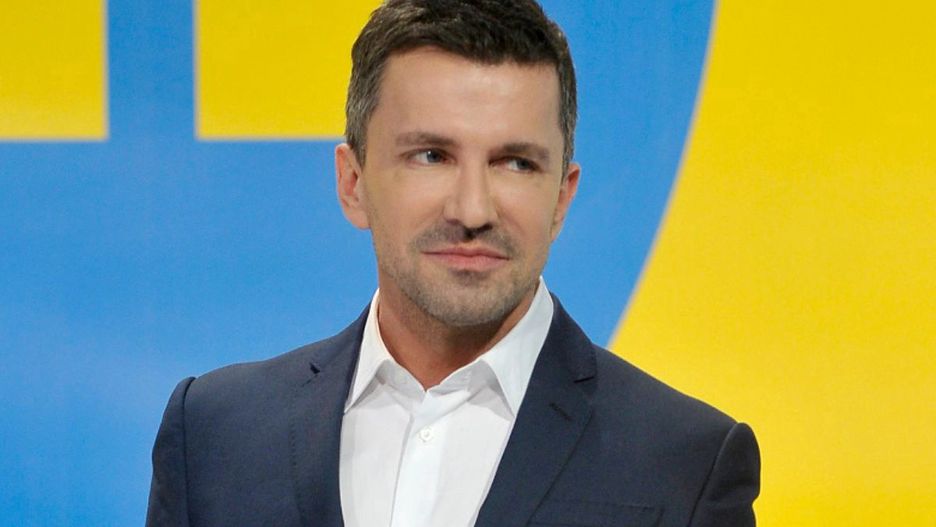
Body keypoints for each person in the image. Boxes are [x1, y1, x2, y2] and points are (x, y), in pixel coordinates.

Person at [146, 1, 760, 525]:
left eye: (516, 163)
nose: (472, 210)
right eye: (431, 156)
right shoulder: (214, 436)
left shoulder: (685, 466)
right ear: (353, 182)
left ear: (561, 198)